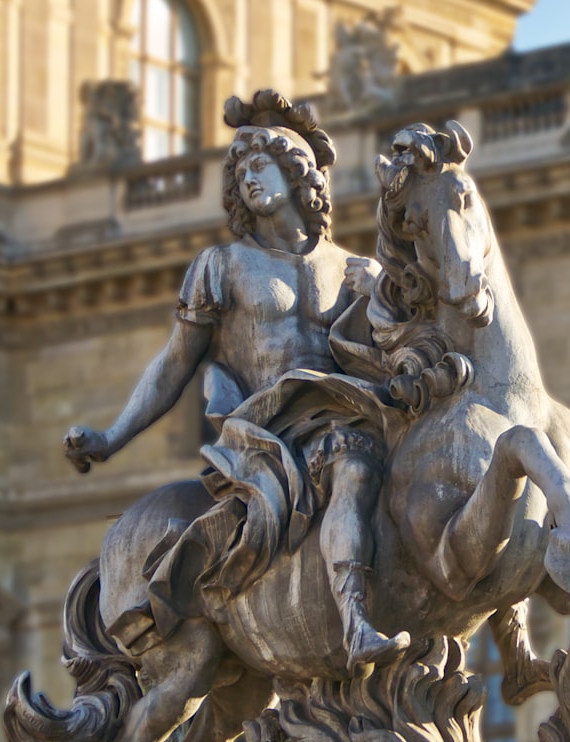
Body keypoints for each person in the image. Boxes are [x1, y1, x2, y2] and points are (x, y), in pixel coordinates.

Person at [65, 90, 409, 672]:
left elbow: (395, 349)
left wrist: (383, 290)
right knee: (353, 463)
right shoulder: (220, 266)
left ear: (298, 175)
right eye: (240, 169)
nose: (249, 178)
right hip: (266, 431)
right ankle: (355, 622)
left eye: (261, 165)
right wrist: (110, 437)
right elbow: (173, 365)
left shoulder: (350, 267)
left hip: (345, 409)